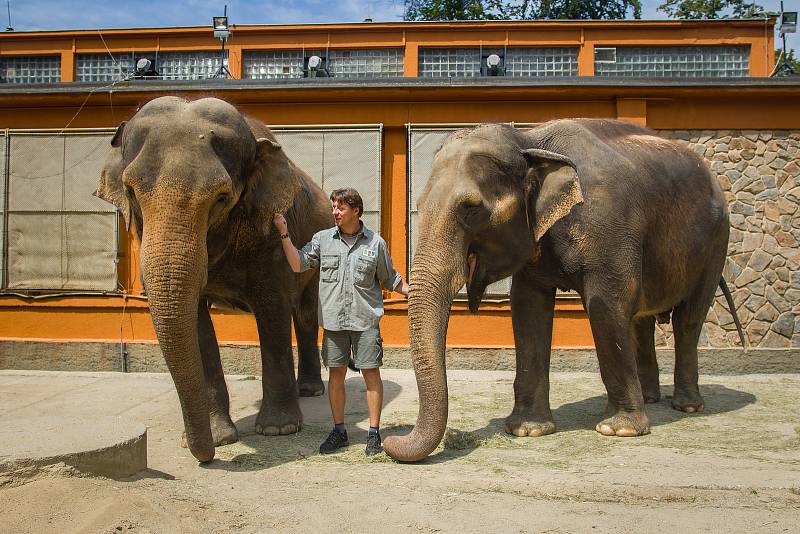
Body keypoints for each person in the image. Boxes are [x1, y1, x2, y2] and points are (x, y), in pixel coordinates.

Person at [273, 188, 409, 456]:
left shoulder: (375, 243)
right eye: (334, 206)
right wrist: (284, 233)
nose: (334, 211)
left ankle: (373, 434)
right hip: (334, 323)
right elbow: (298, 264)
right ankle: (339, 431)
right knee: (336, 375)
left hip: (365, 322)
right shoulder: (323, 240)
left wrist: (413, 291)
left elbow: (390, 279)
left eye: (340, 208)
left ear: (355, 211)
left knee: (371, 374)